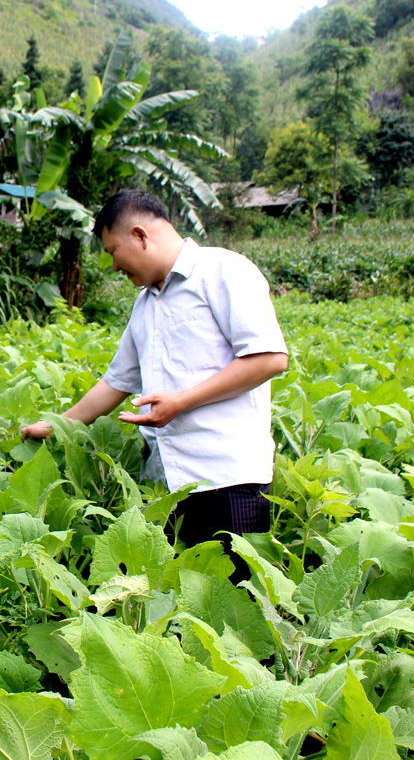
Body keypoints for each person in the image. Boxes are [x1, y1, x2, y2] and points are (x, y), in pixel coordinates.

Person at [22, 190, 288, 568]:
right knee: (179, 610)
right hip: (167, 486)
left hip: (228, 481)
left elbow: (269, 358)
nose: (113, 265)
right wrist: (56, 425)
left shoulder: (223, 271)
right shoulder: (145, 304)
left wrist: (182, 402)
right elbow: (116, 383)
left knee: (238, 609)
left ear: (140, 235)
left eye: (113, 251)